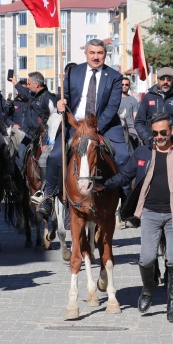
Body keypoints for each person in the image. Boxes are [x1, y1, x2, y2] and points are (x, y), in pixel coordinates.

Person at [97, 112, 173, 322]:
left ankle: (172, 307)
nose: (159, 136)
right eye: (155, 133)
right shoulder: (142, 153)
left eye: (163, 132)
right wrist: (105, 185)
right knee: (147, 258)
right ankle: (148, 289)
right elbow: (124, 175)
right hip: (149, 214)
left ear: (172, 131)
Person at [37, 39, 129, 217]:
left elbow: (113, 106)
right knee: (55, 156)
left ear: (105, 54)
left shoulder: (115, 77)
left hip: (105, 124)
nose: (96, 57)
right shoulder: (73, 72)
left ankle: (126, 201)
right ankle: (48, 196)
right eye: (92, 53)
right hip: (75, 124)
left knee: (124, 157)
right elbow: (66, 96)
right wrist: (61, 104)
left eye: (100, 53)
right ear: (86, 53)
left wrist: (96, 127)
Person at [10, 72, 53, 173]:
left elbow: (54, 119)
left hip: (42, 137)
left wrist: (46, 140)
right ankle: (23, 180)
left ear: (36, 84)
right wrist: (15, 82)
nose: (27, 86)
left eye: (29, 84)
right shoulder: (32, 95)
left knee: (42, 162)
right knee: (19, 155)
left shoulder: (48, 98)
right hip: (29, 135)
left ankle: (44, 185)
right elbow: (24, 92)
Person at [134, 67, 173, 145]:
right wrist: (147, 138)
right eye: (162, 79)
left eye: (169, 79)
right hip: (152, 142)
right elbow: (139, 122)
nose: (165, 82)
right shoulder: (149, 96)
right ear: (158, 80)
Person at [119, 76, 139, 144]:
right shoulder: (115, 99)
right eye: (122, 84)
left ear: (129, 86)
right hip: (118, 127)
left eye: (126, 84)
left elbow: (135, 116)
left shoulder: (133, 100)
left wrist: (137, 129)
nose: (124, 86)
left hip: (130, 128)